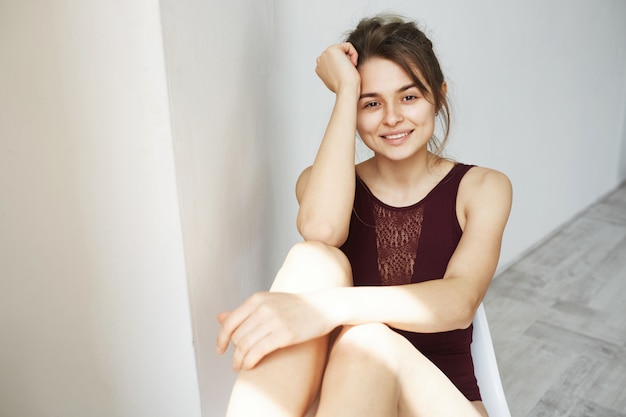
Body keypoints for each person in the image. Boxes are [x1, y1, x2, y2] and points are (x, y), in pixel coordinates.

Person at [217, 14, 512, 417]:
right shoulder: (322, 184)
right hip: (354, 403)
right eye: (370, 103)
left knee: (368, 340)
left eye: (409, 97)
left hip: (442, 404)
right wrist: (345, 92)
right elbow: (320, 230)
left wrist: (323, 310)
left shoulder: (482, 187)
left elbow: (460, 301)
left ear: (439, 96)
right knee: (314, 257)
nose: (391, 117)